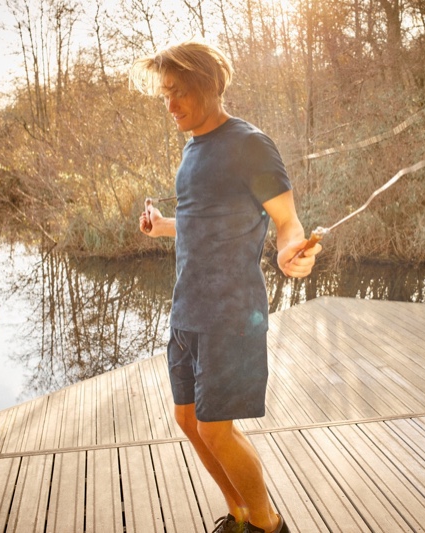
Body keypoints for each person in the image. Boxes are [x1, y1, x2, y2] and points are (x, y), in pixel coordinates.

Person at [132, 41, 321, 533]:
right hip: (186, 310)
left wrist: (289, 254)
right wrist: (163, 227)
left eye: (177, 93)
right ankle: (237, 513)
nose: (169, 105)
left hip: (230, 313)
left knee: (217, 430)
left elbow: (287, 222)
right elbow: (203, 219)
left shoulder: (249, 144)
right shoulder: (193, 147)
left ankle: (266, 524)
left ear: (208, 86)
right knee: (189, 423)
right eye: (164, 95)